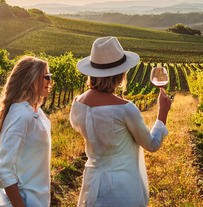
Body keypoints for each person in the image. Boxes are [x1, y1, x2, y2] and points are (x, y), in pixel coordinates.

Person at [70, 36, 172, 207]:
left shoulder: (77, 104)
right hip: (122, 191)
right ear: (120, 74)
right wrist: (162, 112)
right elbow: (152, 144)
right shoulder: (125, 109)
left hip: (92, 188)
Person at [0, 56, 53, 207]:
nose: (50, 80)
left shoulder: (34, 110)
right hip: (25, 201)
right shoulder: (22, 115)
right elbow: (3, 169)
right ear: (31, 79)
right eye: (46, 76)